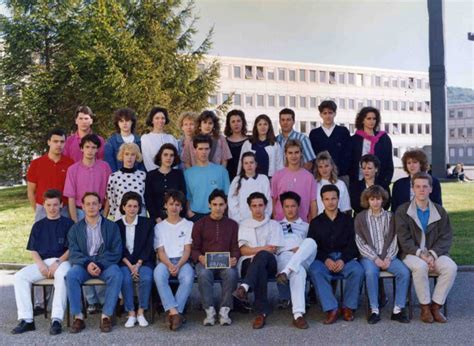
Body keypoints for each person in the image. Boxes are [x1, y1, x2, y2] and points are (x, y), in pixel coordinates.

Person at [395, 172, 457, 323]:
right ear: (413, 189)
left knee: (451, 267)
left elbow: (446, 237)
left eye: (425, 186)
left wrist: (432, 254)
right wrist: (421, 255)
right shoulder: (403, 211)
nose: (421, 190)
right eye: (417, 187)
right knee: (420, 266)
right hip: (411, 254)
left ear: (431, 189)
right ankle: (424, 308)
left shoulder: (440, 211)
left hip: (434, 253)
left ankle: (435, 306)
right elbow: (404, 239)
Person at [11, 189, 74, 335]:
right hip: (43, 262)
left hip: (62, 261)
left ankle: (56, 319)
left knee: (62, 275)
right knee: (19, 276)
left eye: (55, 204)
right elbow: (33, 249)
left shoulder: (68, 224)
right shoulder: (38, 225)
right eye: (49, 205)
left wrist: (58, 262)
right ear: (44, 206)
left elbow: (72, 248)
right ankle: (27, 319)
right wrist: (40, 265)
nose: (52, 208)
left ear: (61, 205)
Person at [66, 192, 123, 333]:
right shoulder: (75, 229)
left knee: (116, 274)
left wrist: (101, 264)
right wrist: (87, 264)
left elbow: (116, 250)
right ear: (83, 207)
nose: (91, 207)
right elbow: (73, 252)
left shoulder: (111, 226)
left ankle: (106, 316)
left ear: (100, 206)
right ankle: (78, 317)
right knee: (71, 275)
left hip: (105, 263)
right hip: (84, 264)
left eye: (94, 204)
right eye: (88, 204)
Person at [308, 185, 364, 324]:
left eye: (333, 198)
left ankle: (348, 307)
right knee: (315, 271)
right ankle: (331, 308)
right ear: (322, 200)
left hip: (343, 257)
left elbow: (354, 245)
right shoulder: (316, 222)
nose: (331, 202)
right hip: (323, 258)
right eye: (327, 199)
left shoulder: (348, 220)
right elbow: (312, 246)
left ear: (338, 199)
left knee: (358, 270)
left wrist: (343, 260)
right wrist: (326, 259)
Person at [355, 185, 410, 324]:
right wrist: (375, 258)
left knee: (404, 272)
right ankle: (374, 309)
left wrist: (388, 257)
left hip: (388, 256)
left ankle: (398, 309)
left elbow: (394, 238)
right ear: (367, 200)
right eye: (372, 199)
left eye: (378, 199)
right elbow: (360, 241)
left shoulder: (390, 217)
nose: (375, 202)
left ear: (383, 200)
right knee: (370, 273)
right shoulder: (360, 218)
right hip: (369, 257)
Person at [233, 192, 285, 329]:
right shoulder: (244, 225)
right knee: (259, 266)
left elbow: (273, 249)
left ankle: (244, 286)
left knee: (262, 257)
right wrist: (262, 249)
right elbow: (243, 250)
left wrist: (259, 251)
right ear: (249, 207)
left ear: (266, 206)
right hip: (248, 263)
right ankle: (261, 313)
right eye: (254, 206)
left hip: (270, 263)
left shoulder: (274, 224)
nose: (257, 209)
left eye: (260, 205)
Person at [191, 189, 240, 326]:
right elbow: (194, 248)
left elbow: (236, 247)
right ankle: (209, 310)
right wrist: (200, 257)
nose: (218, 208)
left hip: (225, 262)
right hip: (205, 261)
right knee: (203, 273)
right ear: (209, 205)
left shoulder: (232, 225)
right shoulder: (199, 224)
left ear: (226, 205)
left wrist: (234, 258)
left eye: (221, 204)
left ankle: (225, 311)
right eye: (215, 204)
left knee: (231, 273)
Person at [275, 192, 317, 329]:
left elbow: (310, 248)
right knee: (298, 272)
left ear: (298, 206)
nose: (290, 209)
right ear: (282, 208)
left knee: (310, 241)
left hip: (303, 256)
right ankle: (298, 315)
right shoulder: (276, 225)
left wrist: (299, 250)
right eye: (286, 206)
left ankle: (286, 272)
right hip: (284, 256)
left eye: (293, 206)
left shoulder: (307, 226)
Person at [154, 190, 195, 331]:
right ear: (165, 205)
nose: (174, 207)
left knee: (188, 277)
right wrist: (170, 265)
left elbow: (187, 250)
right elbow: (160, 252)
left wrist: (178, 265)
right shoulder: (159, 227)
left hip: (182, 261)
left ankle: (172, 313)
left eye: (177, 204)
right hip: (165, 261)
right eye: (171, 204)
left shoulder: (188, 225)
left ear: (182, 207)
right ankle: (176, 313)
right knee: (159, 275)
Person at [116, 192, 155, 328]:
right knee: (125, 279)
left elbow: (148, 246)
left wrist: (138, 264)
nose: (132, 209)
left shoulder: (147, 223)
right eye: (129, 206)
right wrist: (129, 265)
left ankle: (141, 312)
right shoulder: (117, 225)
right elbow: (117, 247)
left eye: (135, 206)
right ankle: (131, 312)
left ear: (139, 208)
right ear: (123, 207)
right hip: (124, 261)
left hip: (143, 261)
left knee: (147, 278)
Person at [27, 129, 74, 222]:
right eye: (55, 141)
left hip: (64, 209)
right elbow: (30, 191)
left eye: (62, 141)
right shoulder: (36, 164)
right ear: (49, 142)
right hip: (43, 209)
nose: (59, 144)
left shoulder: (70, 164)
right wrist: (37, 209)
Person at [63, 134, 111, 223]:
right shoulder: (73, 169)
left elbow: (109, 194)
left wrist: (105, 215)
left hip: (99, 211)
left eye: (93, 147)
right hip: (80, 212)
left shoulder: (105, 167)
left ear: (97, 149)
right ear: (81, 148)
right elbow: (71, 197)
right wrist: (74, 221)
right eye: (87, 147)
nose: (90, 150)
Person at [184, 135, 230, 222]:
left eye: (206, 149)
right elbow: (188, 196)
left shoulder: (221, 171)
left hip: (217, 215)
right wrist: (189, 212)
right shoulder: (188, 173)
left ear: (210, 150)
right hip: (195, 216)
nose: (204, 152)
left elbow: (227, 195)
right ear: (194, 150)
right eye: (200, 149)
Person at [271, 139, 317, 222]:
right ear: (285, 154)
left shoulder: (309, 177)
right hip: (281, 223)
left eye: (296, 152)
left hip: (302, 223)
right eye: (290, 153)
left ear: (301, 154)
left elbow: (313, 202)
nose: (293, 156)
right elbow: (273, 200)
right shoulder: (278, 176)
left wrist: (313, 223)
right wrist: (275, 219)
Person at [349, 107, 394, 188]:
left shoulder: (383, 138)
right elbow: (351, 165)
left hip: (380, 184)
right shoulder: (354, 140)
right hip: (359, 185)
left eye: (374, 118)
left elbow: (389, 163)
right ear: (362, 120)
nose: (372, 121)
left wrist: (384, 184)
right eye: (368, 118)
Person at [309, 100, 352, 182]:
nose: (328, 116)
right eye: (325, 113)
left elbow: (348, 155)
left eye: (330, 112)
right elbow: (313, 157)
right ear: (321, 115)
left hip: (340, 176)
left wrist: (338, 171)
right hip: (321, 177)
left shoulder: (343, 131)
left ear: (335, 113)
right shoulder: (314, 134)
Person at [145, 143, 186, 223]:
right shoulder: (151, 175)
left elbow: (183, 194)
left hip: (176, 216)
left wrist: (179, 215)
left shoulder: (178, 174)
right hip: (157, 218)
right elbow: (148, 197)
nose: (168, 158)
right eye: (165, 155)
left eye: (171, 155)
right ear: (160, 156)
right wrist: (156, 217)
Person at [105, 143, 146, 221]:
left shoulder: (143, 176)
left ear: (136, 157)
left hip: (140, 215)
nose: (129, 157)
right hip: (121, 215)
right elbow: (111, 199)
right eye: (127, 154)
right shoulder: (114, 177)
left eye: (133, 154)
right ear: (122, 156)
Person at [228, 152, 272, 223]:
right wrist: (238, 219)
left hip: (261, 220)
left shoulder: (263, 179)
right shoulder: (236, 180)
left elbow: (268, 200)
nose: (249, 165)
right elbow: (232, 202)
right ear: (242, 165)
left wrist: (264, 218)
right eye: (246, 163)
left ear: (256, 164)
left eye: (251, 162)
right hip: (242, 221)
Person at [236, 114, 283, 178]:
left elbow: (279, 165)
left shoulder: (275, 145)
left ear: (269, 126)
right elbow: (241, 163)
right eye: (260, 124)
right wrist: (239, 178)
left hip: (270, 181)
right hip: (251, 180)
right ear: (256, 127)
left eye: (265, 124)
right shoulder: (248, 144)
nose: (262, 127)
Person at [104, 108, 143, 172]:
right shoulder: (111, 142)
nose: (124, 123)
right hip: (119, 179)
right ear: (117, 123)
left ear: (132, 122)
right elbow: (109, 164)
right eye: (121, 121)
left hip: (138, 179)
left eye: (127, 120)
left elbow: (142, 163)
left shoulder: (140, 141)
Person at [141, 106, 178, 172]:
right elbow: (147, 161)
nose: (160, 121)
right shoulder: (146, 138)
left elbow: (175, 159)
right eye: (157, 118)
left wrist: (171, 174)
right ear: (152, 120)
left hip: (171, 176)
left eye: (163, 118)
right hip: (154, 176)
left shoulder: (171, 138)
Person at [314, 151, 351, 215]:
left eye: (326, 166)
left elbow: (345, 208)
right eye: (320, 167)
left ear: (331, 166)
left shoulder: (341, 184)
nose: (324, 169)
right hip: (320, 222)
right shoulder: (314, 185)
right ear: (317, 169)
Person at [224, 109, 249, 181]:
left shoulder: (250, 141)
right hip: (228, 178)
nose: (236, 124)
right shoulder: (224, 142)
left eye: (238, 121)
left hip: (246, 178)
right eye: (233, 121)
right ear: (229, 124)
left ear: (243, 122)